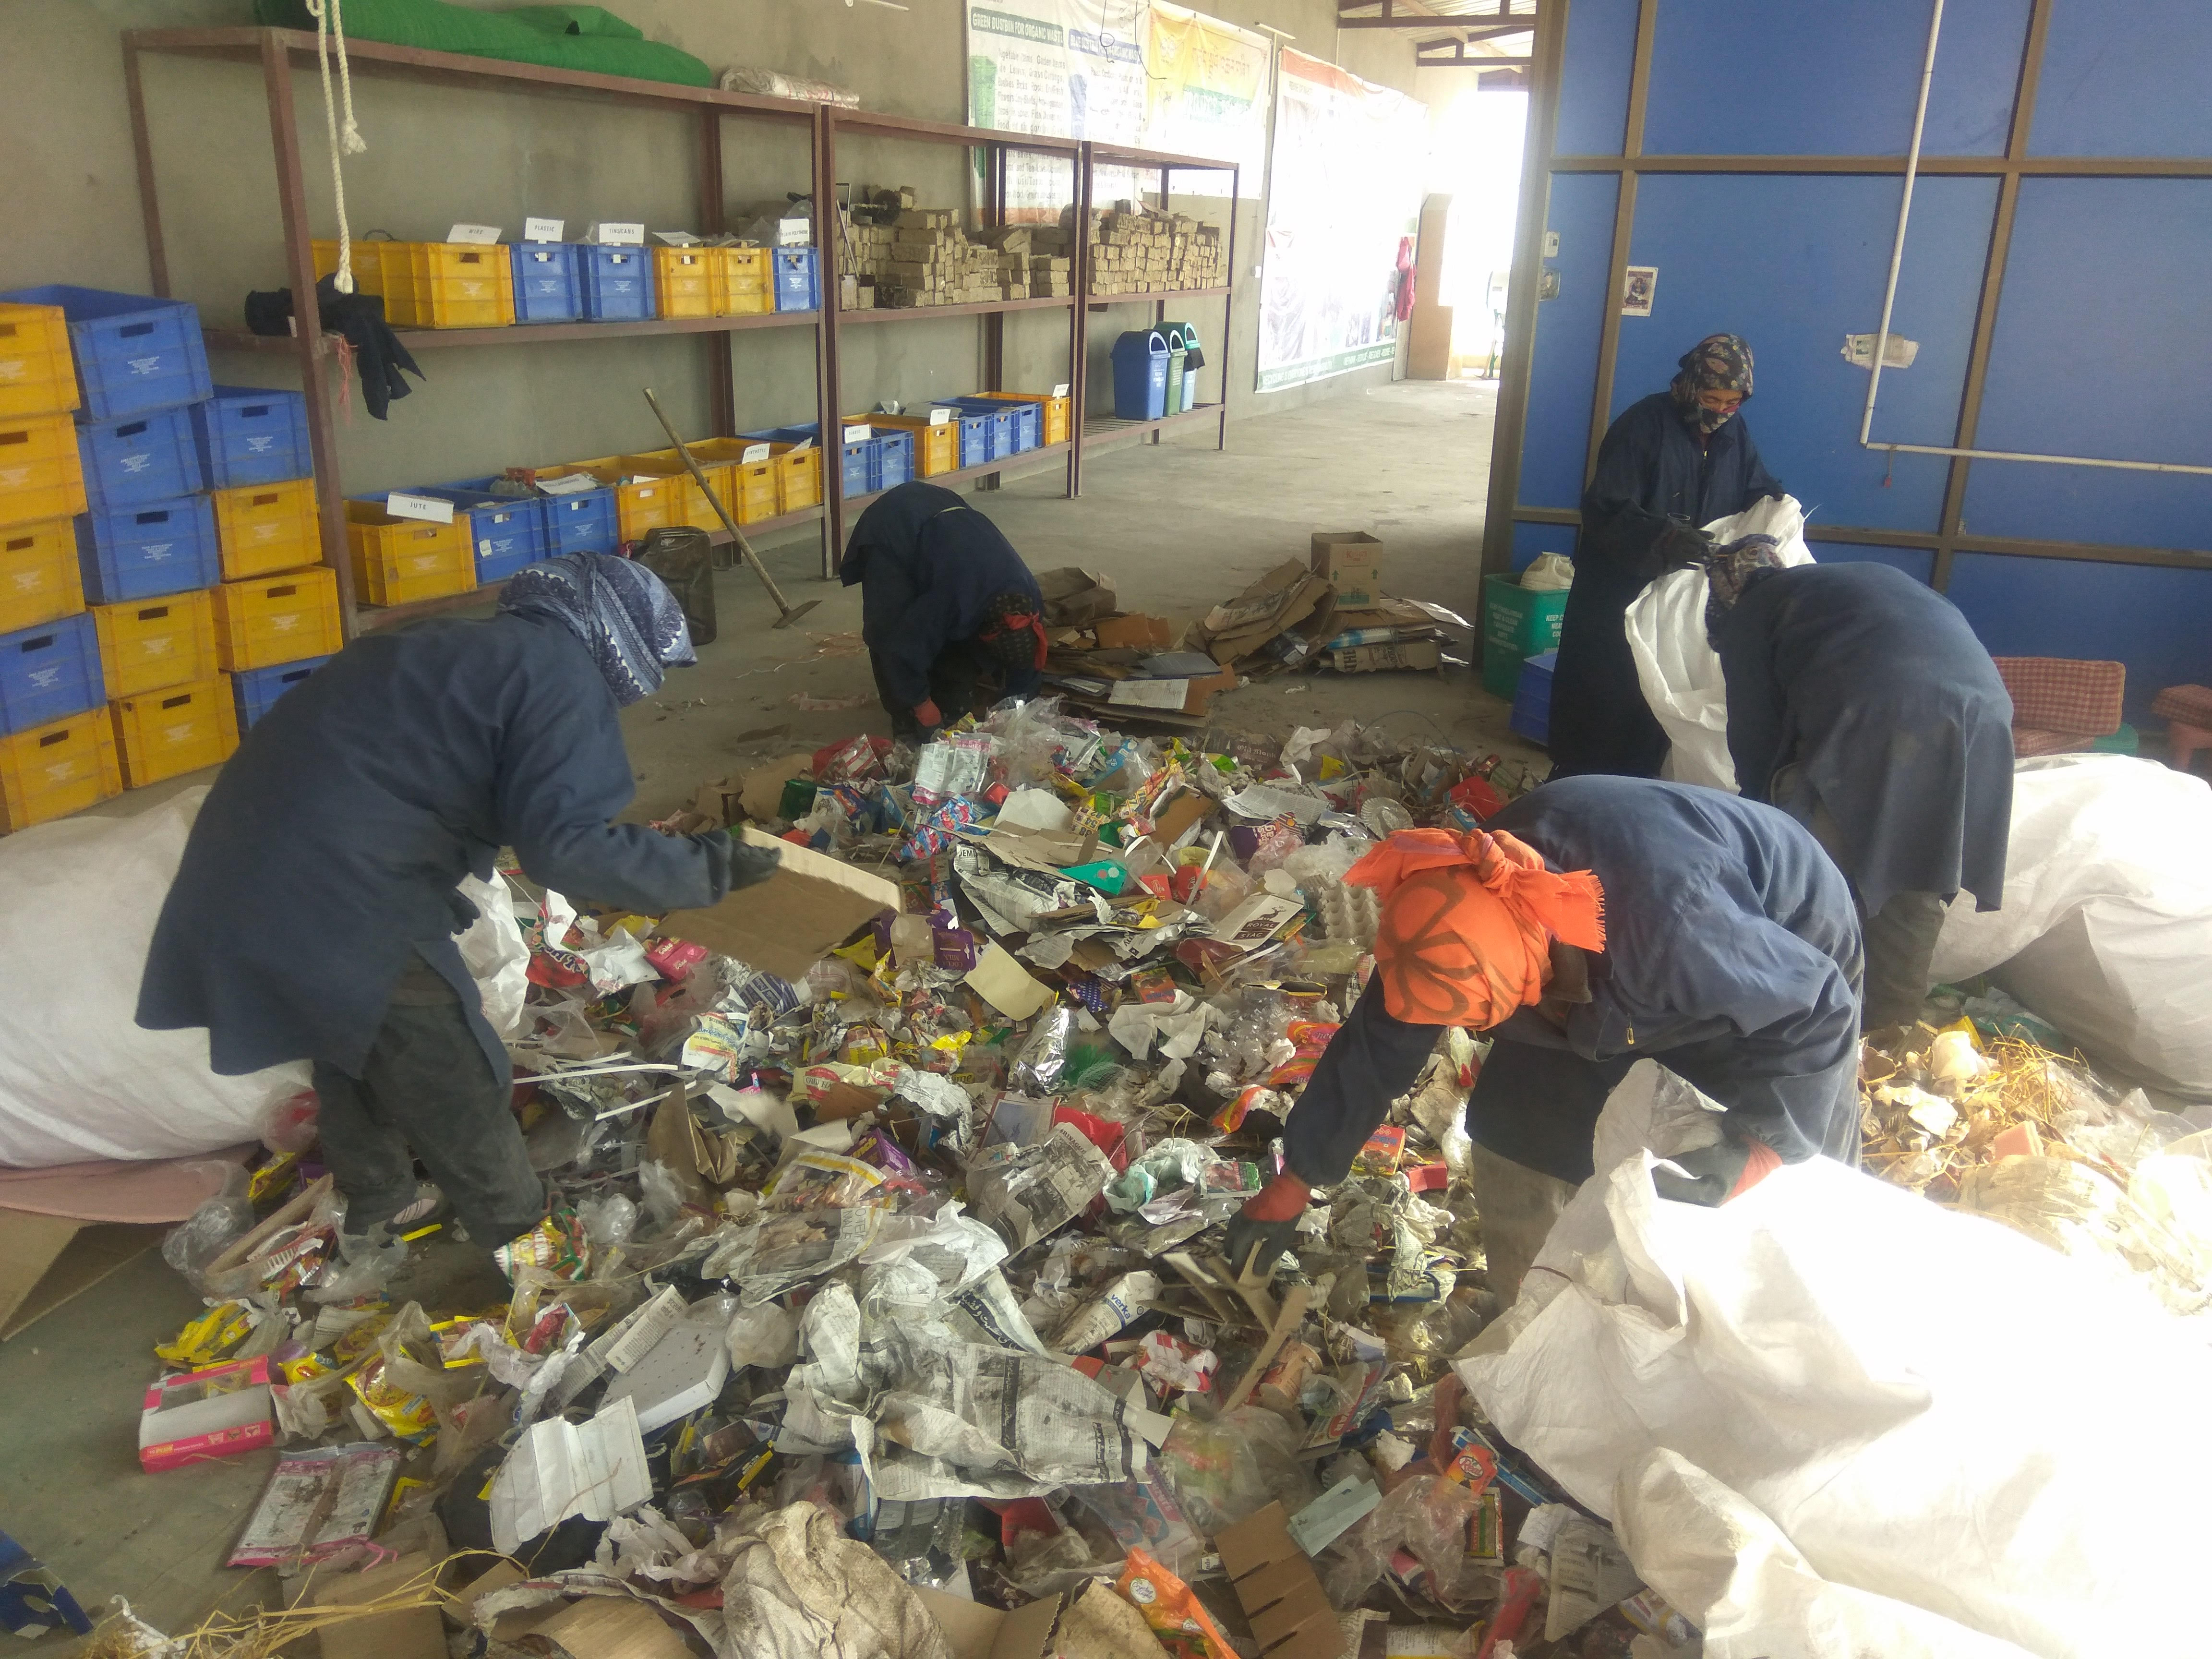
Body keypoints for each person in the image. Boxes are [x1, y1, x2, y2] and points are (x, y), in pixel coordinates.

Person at [137, 553, 777, 1258]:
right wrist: (711, 866)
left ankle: (377, 1201)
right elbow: (568, 850)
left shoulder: (445, 644)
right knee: (456, 1071)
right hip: (344, 889)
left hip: (238, 862)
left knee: (354, 1034)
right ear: (617, 641)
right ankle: (530, 1249)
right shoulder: (561, 674)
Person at [1223, 776, 1863, 1300]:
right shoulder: (1446, 908)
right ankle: (1532, 1327)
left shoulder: (1681, 934)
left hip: (1781, 962)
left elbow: (1818, 1010)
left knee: (1763, 1196)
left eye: (1484, 1017)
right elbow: (1374, 1046)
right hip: (1611, 958)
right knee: (1516, 1130)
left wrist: (1762, 1149)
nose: (1470, 1030)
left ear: (1537, 968)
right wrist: (1295, 1178)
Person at [1711, 556, 2014, 1030]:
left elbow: (1755, 736)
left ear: (1729, 600)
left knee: (1801, 869)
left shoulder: (1754, 609)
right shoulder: (1850, 581)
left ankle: (1796, 1027)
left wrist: (1760, 829)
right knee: (1914, 879)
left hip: (1882, 711)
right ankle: (1889, 1040)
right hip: (1983, 714)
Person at [1550, 333, 1784, 779]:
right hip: (1620, 591)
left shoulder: (1733, 431)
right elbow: (1604, 509)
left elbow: (1754, 485)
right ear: (1693, 385)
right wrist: (1663, 539)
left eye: (1733, 403)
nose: (1720, 411)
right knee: (1609, 700)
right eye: (1712, 398)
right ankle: (1580, 792)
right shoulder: (1644, 425)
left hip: (1679, 597)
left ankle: (1643, 795)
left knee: (1659, 703)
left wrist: (1775, 505)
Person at [839, 481, 1046, 738]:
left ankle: (946, 700)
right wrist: (922, 704)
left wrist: (1017, 716)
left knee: (954, 663)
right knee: (888, 629)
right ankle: (904, 717)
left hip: (947, 517)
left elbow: (1027, 668)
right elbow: (902, 650)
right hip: (898, 523)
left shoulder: (1030, 602)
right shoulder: (951, 600)